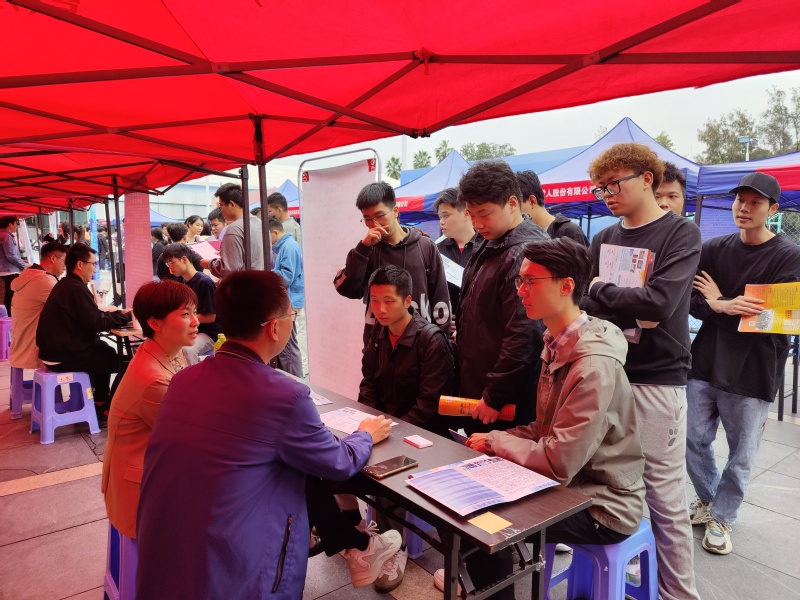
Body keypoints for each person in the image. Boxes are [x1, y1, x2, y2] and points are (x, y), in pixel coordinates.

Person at [135, 270, 393, 600]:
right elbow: (338, 462)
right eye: (291, 316)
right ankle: (359, 545)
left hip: (168, 555)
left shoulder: (184, 380)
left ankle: (355, 544)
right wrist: (365, 434)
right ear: (274, 327)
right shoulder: (285, 396)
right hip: (235, 568)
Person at [434, 237, 646, 593]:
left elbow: (557, 462)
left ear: (566, 286)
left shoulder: (592, 367)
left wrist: (496, 441)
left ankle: (485, 586)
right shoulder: (557, 343)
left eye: (530, 281)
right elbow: (543, 428)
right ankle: (477, 578)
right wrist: (495, 441)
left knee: (484, 517)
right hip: (573, 483)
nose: (520, 291)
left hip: (602, 505)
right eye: (520, 280)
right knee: (463, 491)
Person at [580, 142, 701, 600]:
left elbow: (660, 303)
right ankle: (614, 572)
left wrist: (604, 291)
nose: (607, 195)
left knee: (664, 497)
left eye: (614, 184)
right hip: (608, 372)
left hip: (657, 377)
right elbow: (585, 302)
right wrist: (624, 303)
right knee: (608, 481)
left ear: (647, 179)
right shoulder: (603, 237)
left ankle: (678, 593)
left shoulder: (680, 233)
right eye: (601, 188)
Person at [687, 172, 800, 556]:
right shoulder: (713, 249)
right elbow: (692, 303)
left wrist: (721, 303)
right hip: (706, 360)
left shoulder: (788, 256)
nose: (744, 208)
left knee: (742, 452)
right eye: (740, 200)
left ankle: (722, 516)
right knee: (692, 439)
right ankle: (708, 499)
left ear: (773, 208)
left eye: (755, 202)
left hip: (755, 367)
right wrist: (725, 305)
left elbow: (777, 318)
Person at [357, 265, 454, 592]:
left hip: (427, 436)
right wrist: (370, 420)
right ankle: (359, 532)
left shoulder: (430, 340)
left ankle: (393, 551)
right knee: (344, 458)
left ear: (408, 301)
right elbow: (368, 382)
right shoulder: (378, 333)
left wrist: (391, 433)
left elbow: (430, 404)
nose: (380, 309)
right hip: (391, 428)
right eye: (374, 301)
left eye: (388, 301)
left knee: (386, 473)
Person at [102, 280, 199, 545]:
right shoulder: (153, 380)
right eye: (185, 314)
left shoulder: (164, 351)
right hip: (142, 490)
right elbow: (192, 439)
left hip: (151, 467)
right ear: (155, 323)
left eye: (194, 312)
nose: (195, 321)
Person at [334, 181, 450, 345]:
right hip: (378, 345)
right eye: (367, 219)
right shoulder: (367, 251)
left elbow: (440, 297)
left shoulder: (425, 246)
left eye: (380, 216)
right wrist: (363, 248)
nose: (375, 224)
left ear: (395, 211)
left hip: (421, 344)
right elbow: (348, 289)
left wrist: (442, 342)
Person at [36, 243, 133, 422]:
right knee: (128, 365)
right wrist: (127, 317)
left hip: (55, 351)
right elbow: (97, 322)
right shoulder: (74, 288)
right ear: (80, 264)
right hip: (61, 355)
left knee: (105, 350)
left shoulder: (67, 284)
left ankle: (99, 401)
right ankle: (109, 409)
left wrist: (119, 315)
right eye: (93, 264)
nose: (95, 269)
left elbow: (92, 316)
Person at [9, 242, 68, 370]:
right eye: (64, 261)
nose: (65, 266)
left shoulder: (28, 274)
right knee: (97, 353)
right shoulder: (43, 281)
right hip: (34, 350)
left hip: (20, 346)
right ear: (53, 258)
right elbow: (71, 307)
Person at [161, 243, 219, 362]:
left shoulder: (204, 282)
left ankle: (194, 375)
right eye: (167, 263)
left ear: (184, 259)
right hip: (191, 330)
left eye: (171, 262)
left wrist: (182, 318)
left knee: (188, 350)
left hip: (209, 333)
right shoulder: (184, 282)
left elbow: (210, 317)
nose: (170, 267)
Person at [201, 183, 264, 276]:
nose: (220, 210)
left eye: (221, 206)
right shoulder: (261, 224)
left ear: (231, 204)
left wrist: (208, 264)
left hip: (243, 282)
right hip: (260, 280)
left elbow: (228, 269)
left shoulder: (234, 228)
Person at [269, 217, 304, 377]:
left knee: (288, 348)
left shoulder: (288, 247)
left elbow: (287, 277)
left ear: (275, 232)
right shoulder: (286, 246)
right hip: (289, 300)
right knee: (287, 346)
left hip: (290, 300)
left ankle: (294, 381)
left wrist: (267, 273)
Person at [434, 187, 477, 316]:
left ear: (466, 214)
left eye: (446, 216)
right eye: (440, 217)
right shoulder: (436, 250)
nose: (442, 222)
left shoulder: (486, 247)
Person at [517, 170, 589, 246]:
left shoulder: (569, 232)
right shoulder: (523, 236)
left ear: (532, 201)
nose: (514, 212)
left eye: (517, 206)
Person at [0, 216, 29, 316]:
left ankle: (8, 316)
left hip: (4, 270)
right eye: (16, 224)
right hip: (10, 271)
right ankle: (11, 317)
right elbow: (11, 255)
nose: (16, 226)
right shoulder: (6, 236)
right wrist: (24, 265)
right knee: (11, 296)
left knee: (7, 295)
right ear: (10, 224)